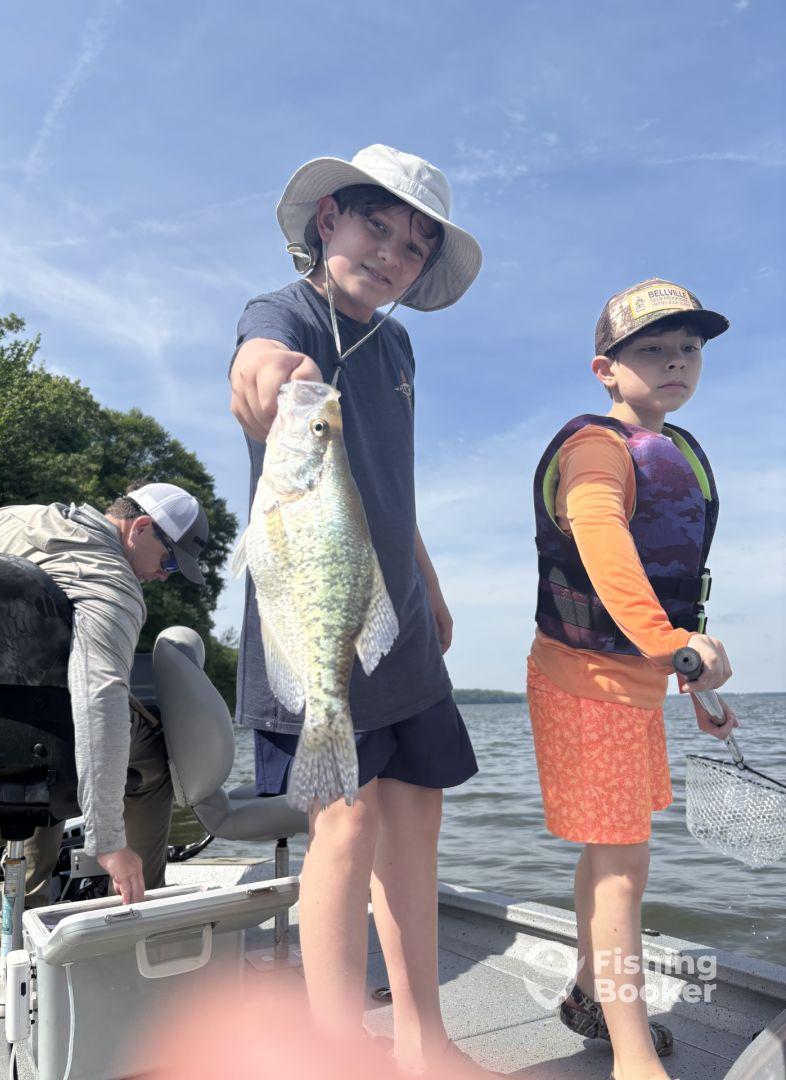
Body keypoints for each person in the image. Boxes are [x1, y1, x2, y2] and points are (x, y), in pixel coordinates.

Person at [228, 145, 491, 1077]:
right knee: (343, 819)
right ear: (329, 217)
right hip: (311, 605)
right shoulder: (285, 310)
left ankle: (426, 1038)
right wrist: (267, 379)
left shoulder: (401, 346)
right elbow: (255, 372)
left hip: (399, 614)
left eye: (415, 246)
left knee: (417, 812)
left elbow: (389, 487)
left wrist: (431, 584)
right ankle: (337, 1051)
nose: (390, 253)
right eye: (377, 225)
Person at [527, 278, 737, 1080]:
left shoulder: (676, 451)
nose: (677, 362)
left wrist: (696, 683)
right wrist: (675, 644)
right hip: (585, 682)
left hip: (635, 685)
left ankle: (588, 991)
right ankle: (629, 1046)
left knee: (611, 853)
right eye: (652, 349)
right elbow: (606, 552)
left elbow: (669, 581)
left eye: (689, 348)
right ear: (605, 369)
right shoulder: (597, 447)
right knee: (623, 869)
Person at [0, 482, 209, 909]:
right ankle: (138, 902)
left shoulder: (2, 519)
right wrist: (109, 842)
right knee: (154, 752)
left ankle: (28, 901)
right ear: (139, 528)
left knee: (48, 718)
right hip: (34, 742)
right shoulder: (112, 584)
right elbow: (99, 700)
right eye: (170, 559)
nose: (164, 574)